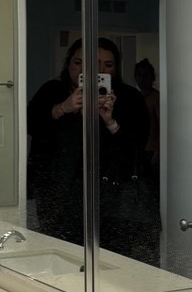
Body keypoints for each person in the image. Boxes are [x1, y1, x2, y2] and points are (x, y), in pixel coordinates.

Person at [26, 38, 159, 262]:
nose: (96, 70)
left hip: (111, 199)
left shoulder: (128, 98)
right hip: (58, 193)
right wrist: (63, 108)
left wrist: (110, 121)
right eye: (81, 63)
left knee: (112, 263)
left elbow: (135, 148)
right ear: (68, 64)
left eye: (108, 65)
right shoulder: (52, 91)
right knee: (61, 258)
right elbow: (31, 124)